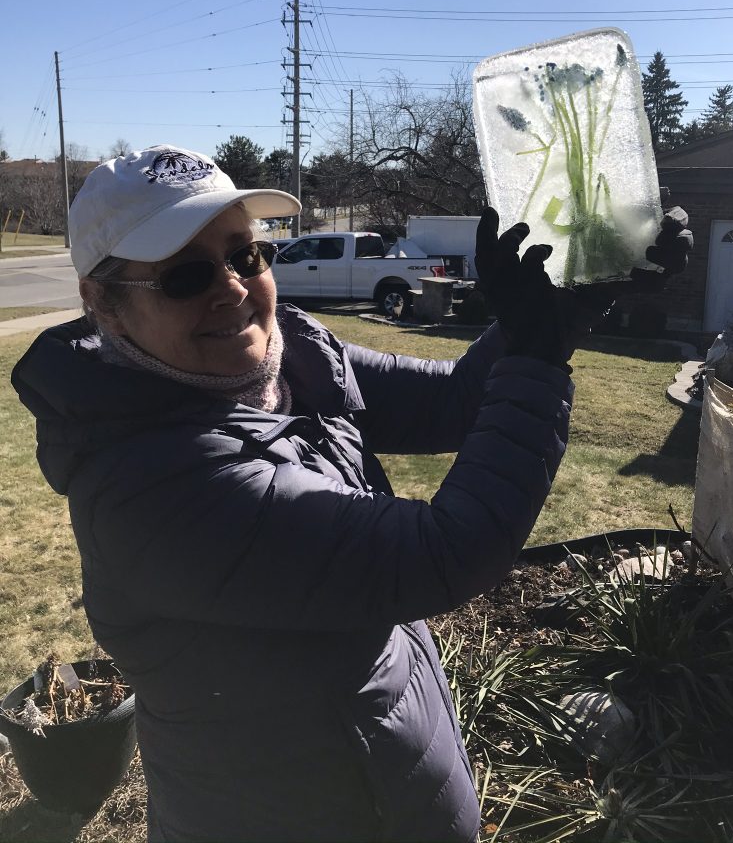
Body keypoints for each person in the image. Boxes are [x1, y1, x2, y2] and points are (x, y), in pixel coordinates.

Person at [12, 145, 691, 843]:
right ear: (106, 307)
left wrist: (581, 290)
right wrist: (538, 352)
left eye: (245, 255)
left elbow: (456, 402)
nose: (235, 288)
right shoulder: (153, 487)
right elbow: (447, 552)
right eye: (185, 276)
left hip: (387, 785)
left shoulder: (289, 360)